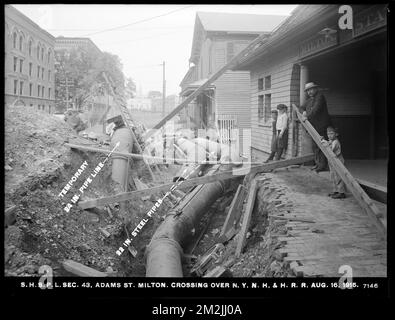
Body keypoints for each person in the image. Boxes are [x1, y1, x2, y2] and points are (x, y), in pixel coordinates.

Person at [300, 82, 332, 172]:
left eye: (311, 89)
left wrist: (306, 117)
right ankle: (318, 164)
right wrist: (303, 112)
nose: (309, 92)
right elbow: (301, 107)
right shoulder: (309, 100)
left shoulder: (320, 97)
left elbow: (315, 110)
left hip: (322, 126)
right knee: (315, 147)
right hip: (313, 127)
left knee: (322, 146)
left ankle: (322, 166)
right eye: (307, 91)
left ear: (315, 89)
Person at [321, 126, 346, 199]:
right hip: (332, 161)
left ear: (336, 134)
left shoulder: (335, 142)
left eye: (332, 134)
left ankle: (341, 192)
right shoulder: (331, 141)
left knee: (338, 176)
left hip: (338, 161)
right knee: (333, 176)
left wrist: (324, 142)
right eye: (328, 134)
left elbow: (330, 149)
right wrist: (324, 140)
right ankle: (336, 191)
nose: (330, 135)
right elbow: (328, 143)